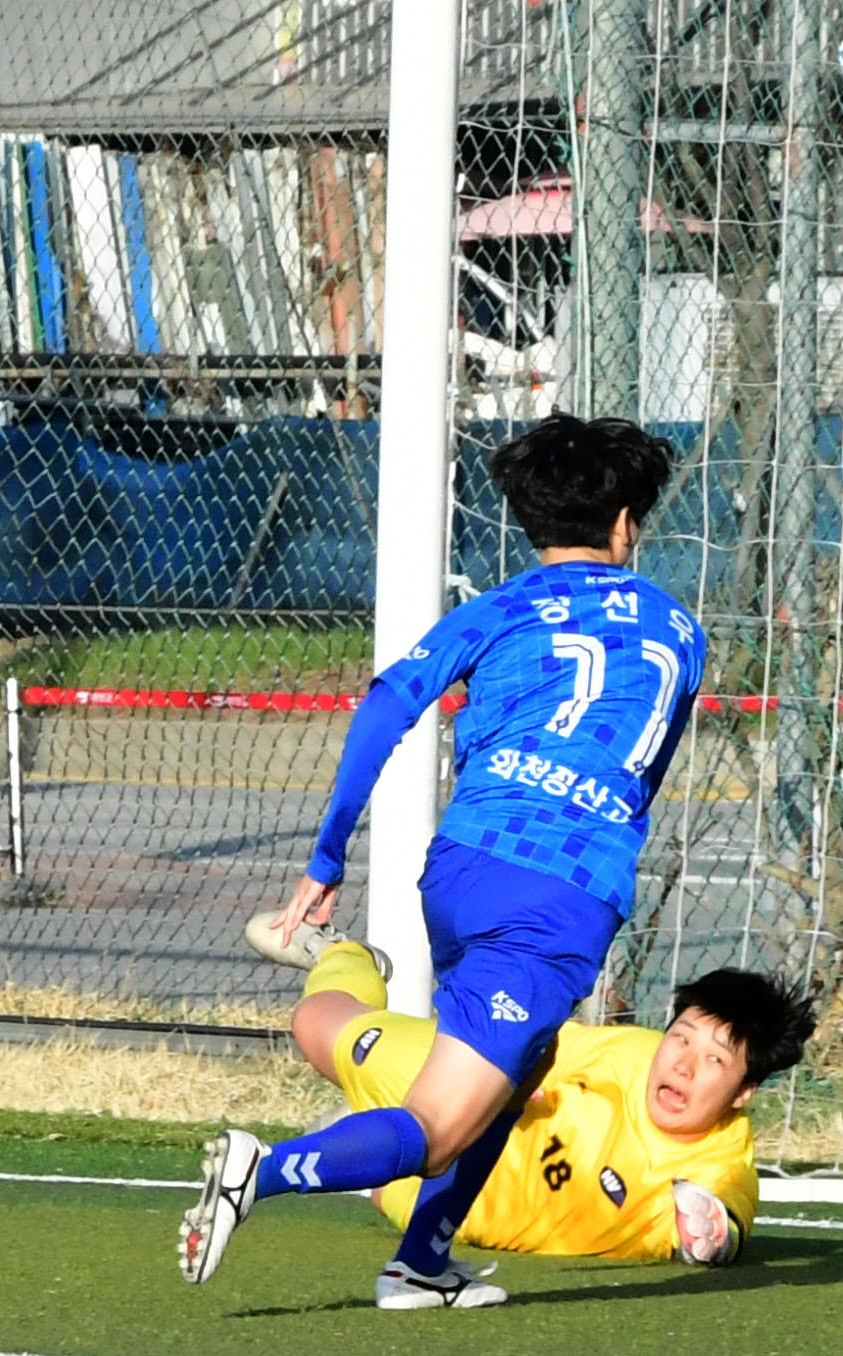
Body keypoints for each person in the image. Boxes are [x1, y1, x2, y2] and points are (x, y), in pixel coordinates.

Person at [181, 412, 699, 1309]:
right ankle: (261, 1171)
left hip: (458, 868)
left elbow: (386, 705)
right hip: (556, 895)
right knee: (437, 1127)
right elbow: (642, 772)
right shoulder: (679, 629)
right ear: (624, 524)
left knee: (521, 1068)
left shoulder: (495, 609)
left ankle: (421, 1265)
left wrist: (327, 856)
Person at [283, 935, 808, 1273]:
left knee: (380, 1174)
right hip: (458, 1087)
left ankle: (359, 1129)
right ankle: (345, 955)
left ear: (742, 1093)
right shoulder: (631, 1054)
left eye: (716, 1061)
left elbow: (725, 1224)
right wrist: (519, 1076)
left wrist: (714, 1236)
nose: (684, 1065)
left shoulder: (723, 1163)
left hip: (443, 1205)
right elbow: (546, 1048)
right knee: (315, 1024)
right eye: (682, 1038)